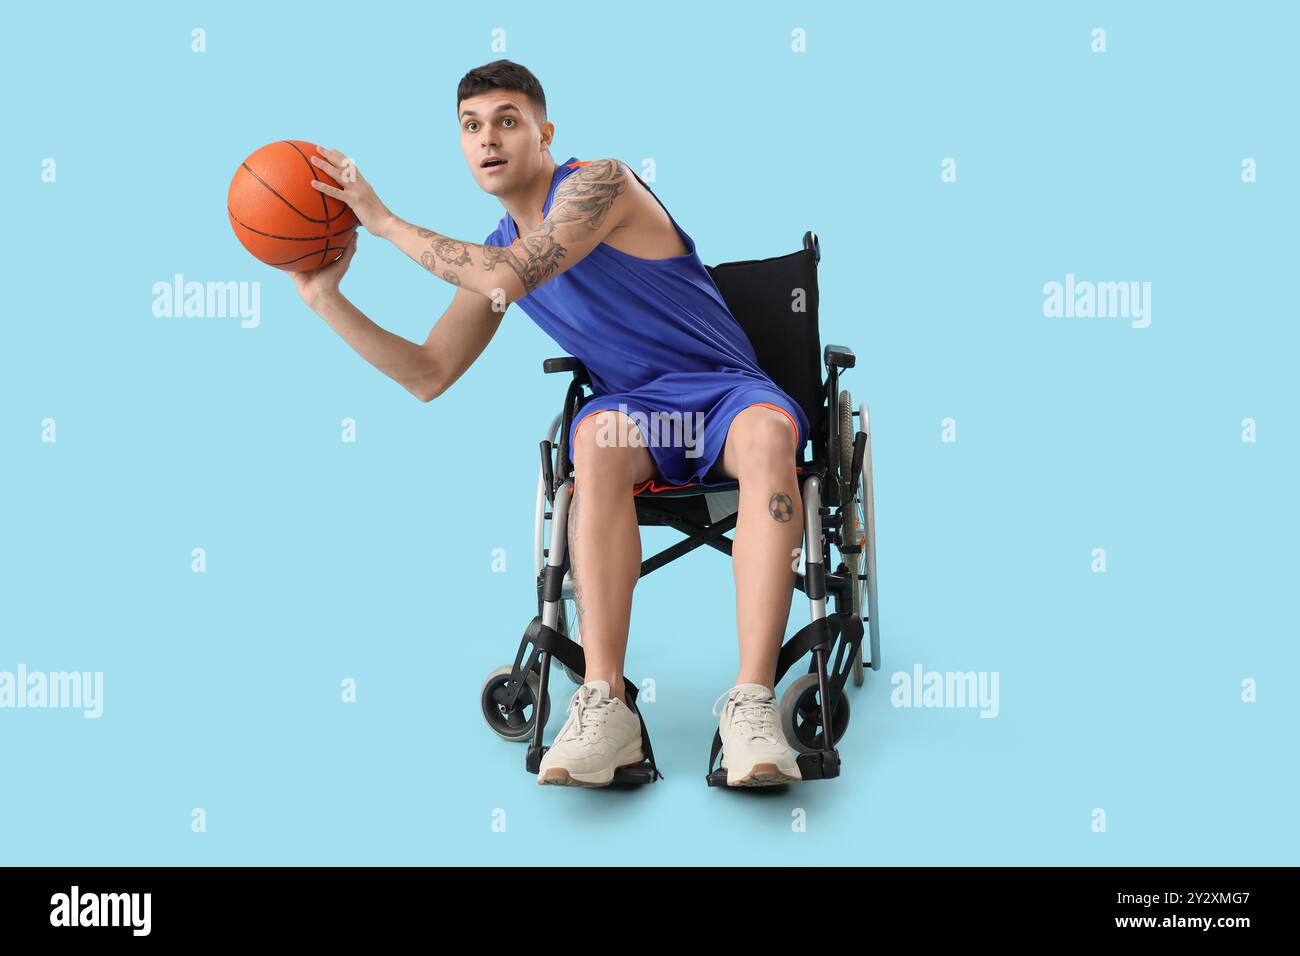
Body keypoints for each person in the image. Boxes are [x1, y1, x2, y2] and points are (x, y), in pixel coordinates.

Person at [293, 59, 808, 788]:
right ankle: (606, 704)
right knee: (594, 438)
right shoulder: (498, 246)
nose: (488, 138)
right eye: (471, 126)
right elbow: (428, 373)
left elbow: (507, 277)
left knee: (768, 437)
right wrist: (322, 299)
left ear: (545, 133)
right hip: (639, 416)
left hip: (725, 395)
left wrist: (380, 222)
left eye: (507, 120)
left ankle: (751, 704)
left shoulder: (601, 183)